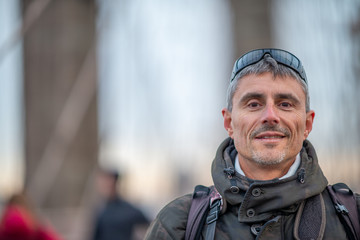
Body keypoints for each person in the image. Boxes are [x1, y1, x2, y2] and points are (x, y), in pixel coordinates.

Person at [144, 48, 360, 239]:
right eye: (254, 104)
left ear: (307, 124)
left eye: (285, 104)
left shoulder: (353, 218)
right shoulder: (178, 224)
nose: (270, 116)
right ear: (229, 123)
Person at [92, 167, 149, 240]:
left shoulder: (128, 210)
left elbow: (149, 225)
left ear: (114, 182)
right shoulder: (100, 210)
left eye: (107, 181)